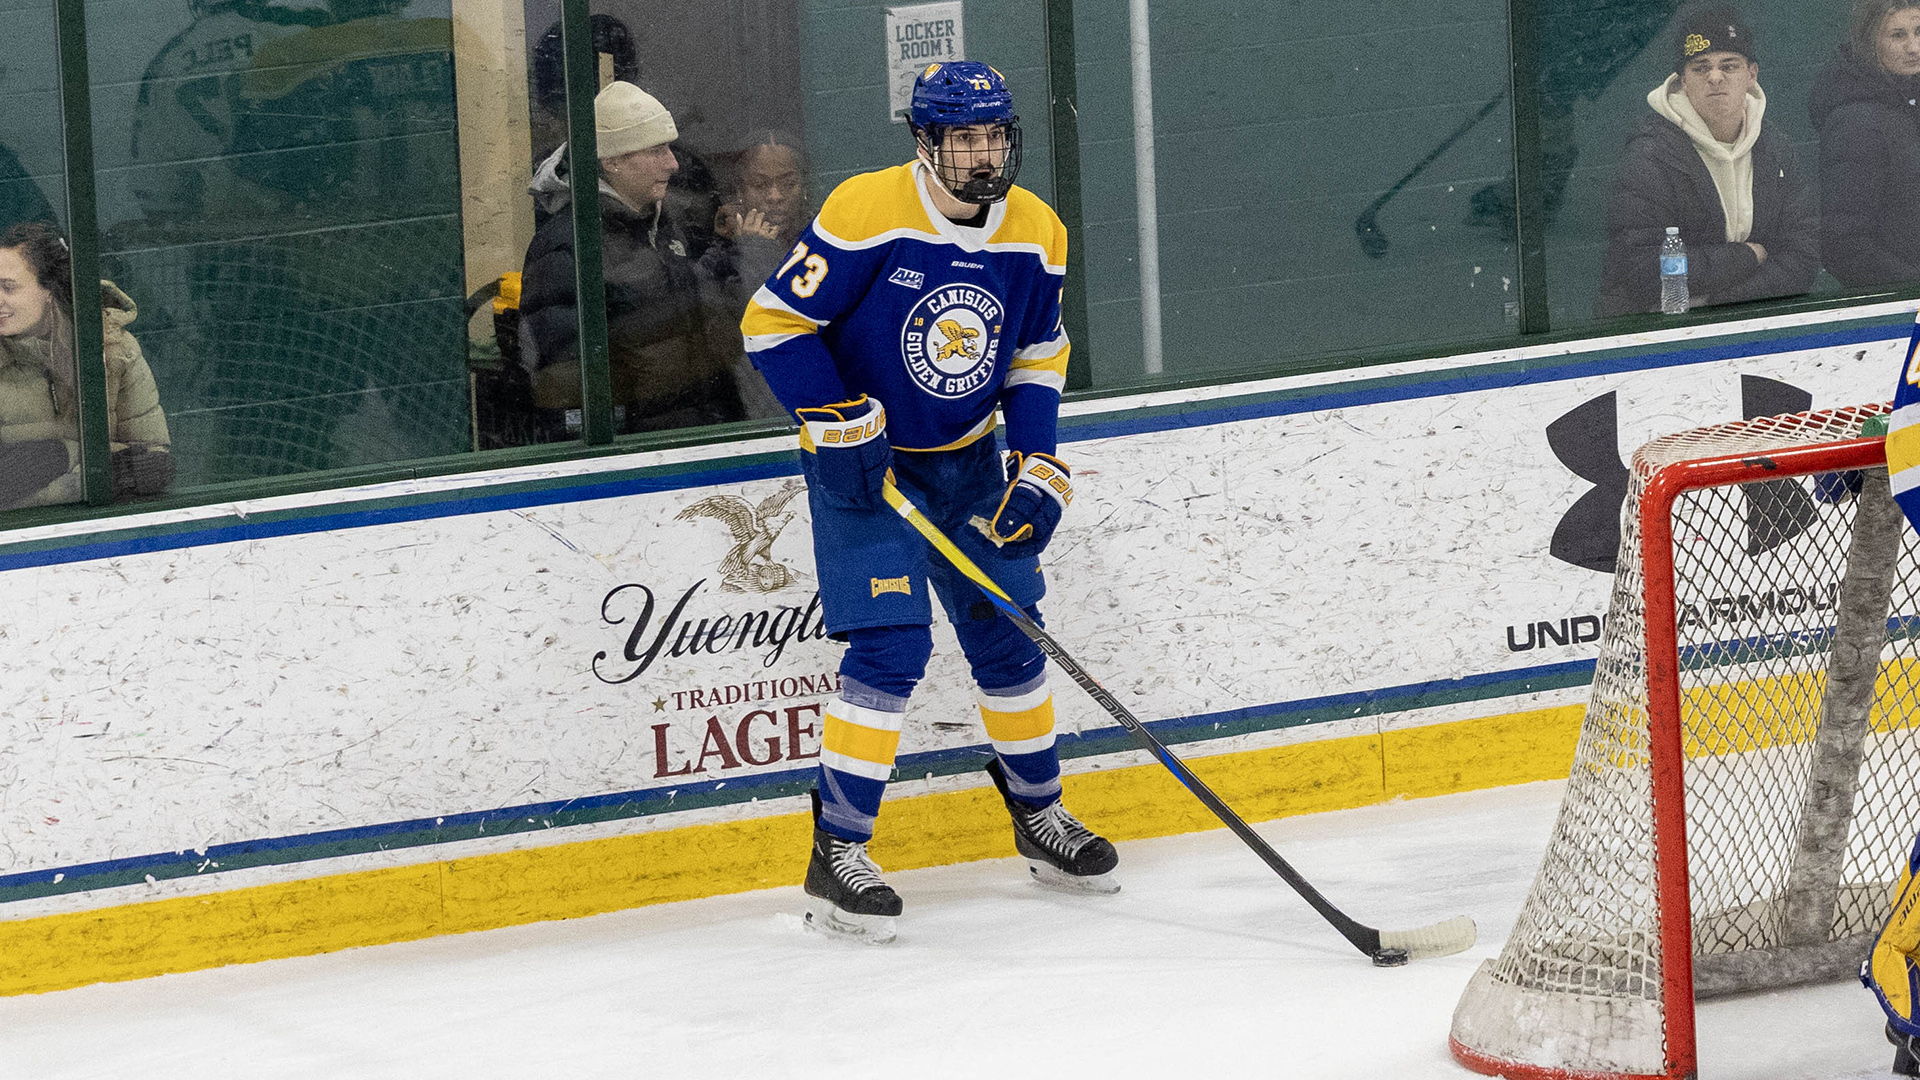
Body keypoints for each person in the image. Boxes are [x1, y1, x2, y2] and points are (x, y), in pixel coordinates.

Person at [740, 61, 1115, 943]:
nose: (983, 156)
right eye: (963, 139)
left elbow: (1035, 353)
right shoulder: (869, 210)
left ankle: (1039, 814)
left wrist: (1037, 460)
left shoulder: (1039, 231)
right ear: (926, 142)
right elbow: (773, 324)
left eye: (994, 137)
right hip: (864, 469)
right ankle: (837, 850)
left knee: (1009, 631)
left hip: (967, 465)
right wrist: (833, 415)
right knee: (891, 647)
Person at [519, 82, 744, 435]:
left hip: (695, 433)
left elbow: (681, 321)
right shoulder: (569, 246)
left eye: (669, 148)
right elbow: (566, 381)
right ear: (612, 161)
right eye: (656, 151)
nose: (672, 164)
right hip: (639, 454)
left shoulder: (661, 224)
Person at [1595, 5, 1818, 317]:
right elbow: (1643, 270)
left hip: (1753, 322)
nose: (1715, 77)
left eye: (1729, 66)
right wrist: (1747, 257)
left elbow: (1803, 256)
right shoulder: (1650, 154)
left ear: (1751, 75)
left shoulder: (1775, 148)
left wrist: (1721, 301)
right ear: (1683, 81)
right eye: (1701, 68)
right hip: (1655, 333)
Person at [0, 223, 172, 510]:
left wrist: (60, 457)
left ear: (49, 290)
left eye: (8, 287)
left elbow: (154, 463)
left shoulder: (114, 348)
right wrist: (98, 471)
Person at [1810, 0, 1920, 288]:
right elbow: (1843, 245)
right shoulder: (1856, 123)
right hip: (1899, 312)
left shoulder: (1910, 101)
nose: (1914, 47)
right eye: (1898, 35)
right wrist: (1909, 288)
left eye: (1919, 31)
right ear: (1869, 41)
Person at [707, 135, 811, 420]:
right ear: (740, 191)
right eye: (761, 185)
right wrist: (749, 251)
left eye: (788, 184)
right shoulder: (718, 259)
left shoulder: (824, 239)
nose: (775, 196)